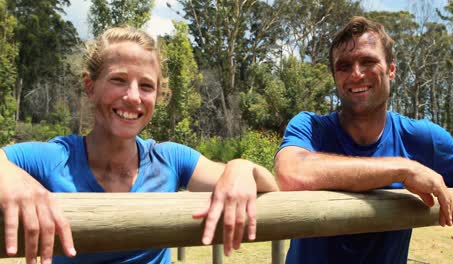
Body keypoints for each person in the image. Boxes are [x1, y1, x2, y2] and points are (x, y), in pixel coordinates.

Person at [0, 26, 279, 264]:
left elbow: (269, 185)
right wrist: (10, 178)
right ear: (90, 86)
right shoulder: (53, 158)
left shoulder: (170, 159)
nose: (133, 97)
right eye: (118, 80)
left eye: (146, 86)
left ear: (158, 95)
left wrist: (242, 168)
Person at [274, 16, 453, 264]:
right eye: (343, 66)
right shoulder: (311, 127)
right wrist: (403, 169)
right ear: (335, 76)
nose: (356, 74)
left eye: (368, 61)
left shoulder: (420, 137)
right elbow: (292, 173)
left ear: (392, 69)